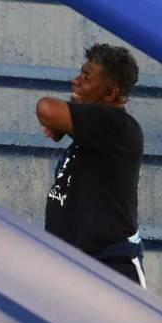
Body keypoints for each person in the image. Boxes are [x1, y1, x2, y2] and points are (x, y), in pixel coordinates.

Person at [37, 43, 145, 288]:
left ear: (109, 94)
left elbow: (46, 108)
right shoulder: (99, 133)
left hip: (110, 271)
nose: (75, 82)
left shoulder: (116, 125)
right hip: (74, 268)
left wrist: (61, 122)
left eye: (86, 78)